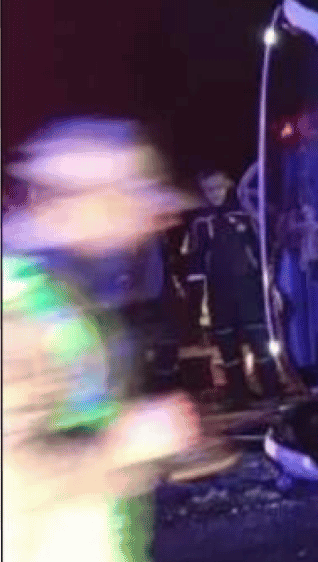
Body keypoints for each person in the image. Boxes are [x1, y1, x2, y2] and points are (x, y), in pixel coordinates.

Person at [2, 117, 203, 562]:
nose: (144, 226)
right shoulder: (17, 307)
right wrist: (121, 447)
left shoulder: (73, 293)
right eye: (127, 206)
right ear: (86, 204)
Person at [182, 170, 282, 409]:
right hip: (219, 290)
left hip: (249, 287)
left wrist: (271, 284)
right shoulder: (200, 221)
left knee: (259, 340)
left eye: (218, 187)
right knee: (226, 344)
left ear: (229, 184)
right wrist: (195, 301)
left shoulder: (246, 213)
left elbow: (263, 249)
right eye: (208, 189)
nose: (214, 193)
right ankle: (238, 394)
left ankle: (272, 390)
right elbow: (196, 262)